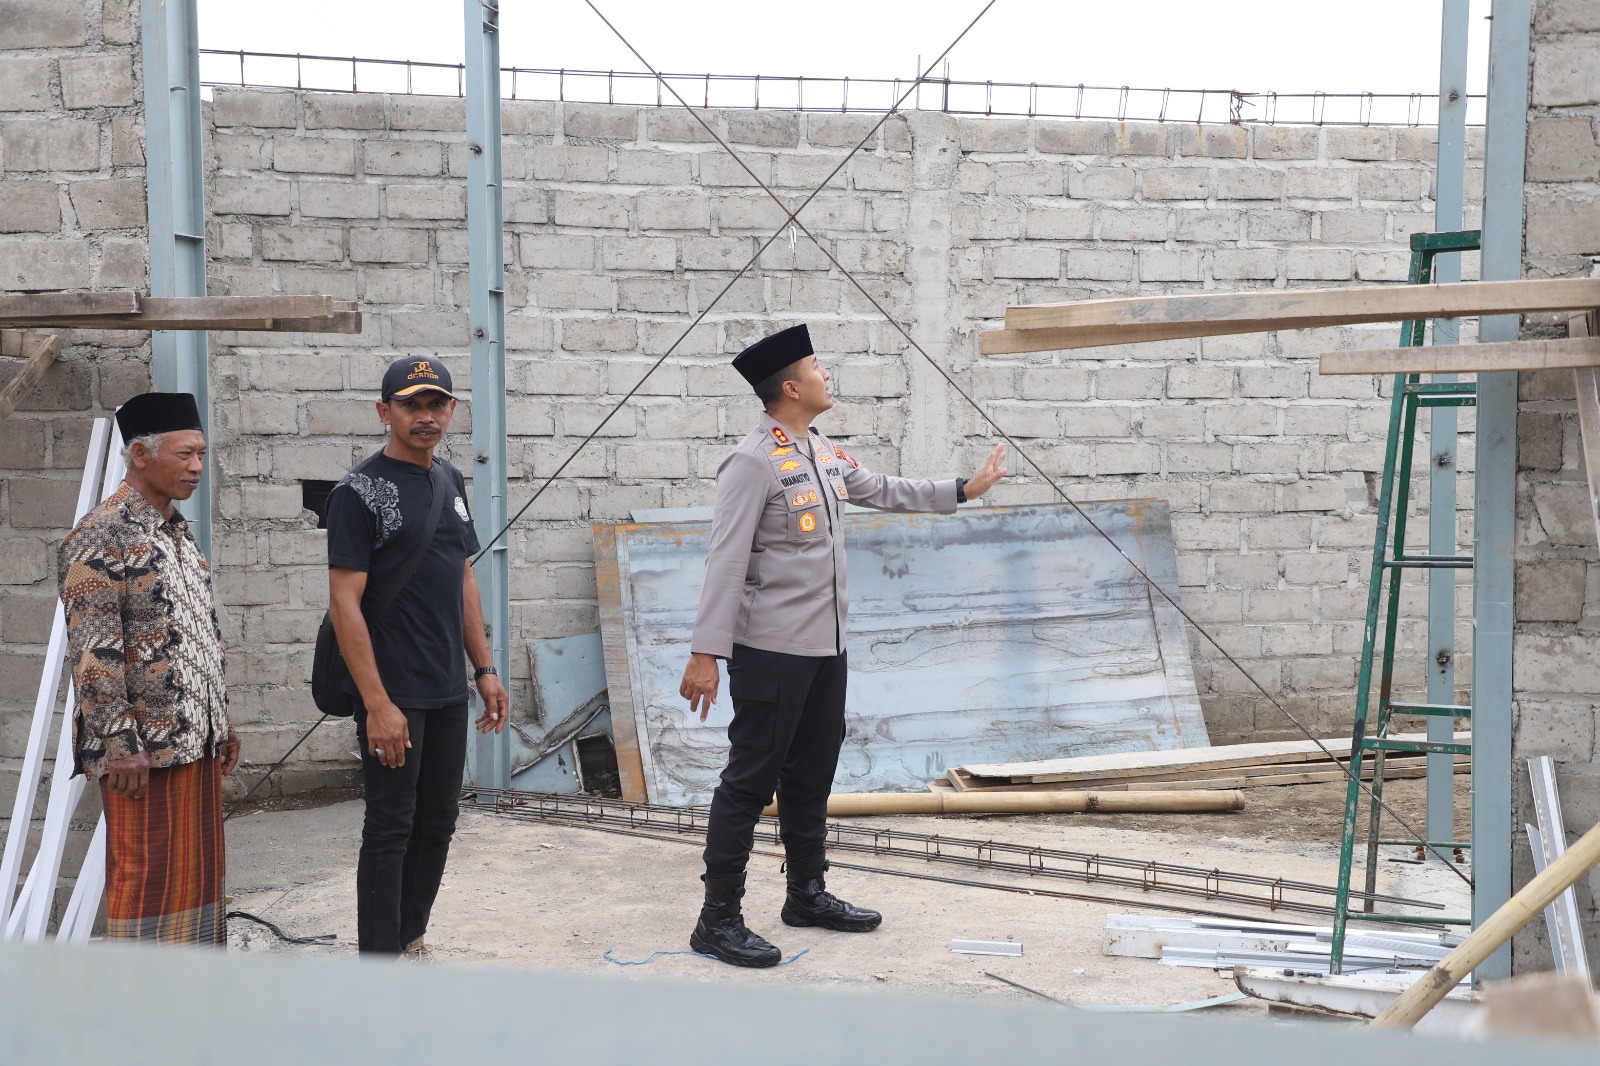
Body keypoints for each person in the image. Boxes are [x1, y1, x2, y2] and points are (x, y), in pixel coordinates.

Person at [680, 324, 1007, 967]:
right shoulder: (752, 462)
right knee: (749, 782)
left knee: (811, 776)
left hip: (825, 649)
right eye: (819, 368)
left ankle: (806, 893)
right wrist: (705, 653)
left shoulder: (820, 451)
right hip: (770, 650)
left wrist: (963, 490)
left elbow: (883, 489)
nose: (829, 376)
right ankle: (716, 919)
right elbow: (725, 561)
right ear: (792, 387)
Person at [325, 356, 509, 958]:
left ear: (451, 411)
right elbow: (346, 605)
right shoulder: (358, 493)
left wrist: (483, 668)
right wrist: (377, 705)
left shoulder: (449, 482)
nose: (425, 417)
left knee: (437, 823)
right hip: (392, 689)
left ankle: (411, 936)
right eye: (411, 405)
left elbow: (461, 580)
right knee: (389, 827)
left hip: (445, 685)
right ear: (386, 412)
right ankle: (377, 960)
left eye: (436, 405)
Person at [58, 391, 240, 945]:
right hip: (143, 751)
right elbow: (94, 653)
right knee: (147, 881)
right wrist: (120, 743)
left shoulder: (178, 535)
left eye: (201, 454)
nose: (196, 467)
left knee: (199, 881)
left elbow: (195, 636)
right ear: (140, 455)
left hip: (194, 741)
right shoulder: (100, 534)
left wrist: (220, 721)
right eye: (185, 455)